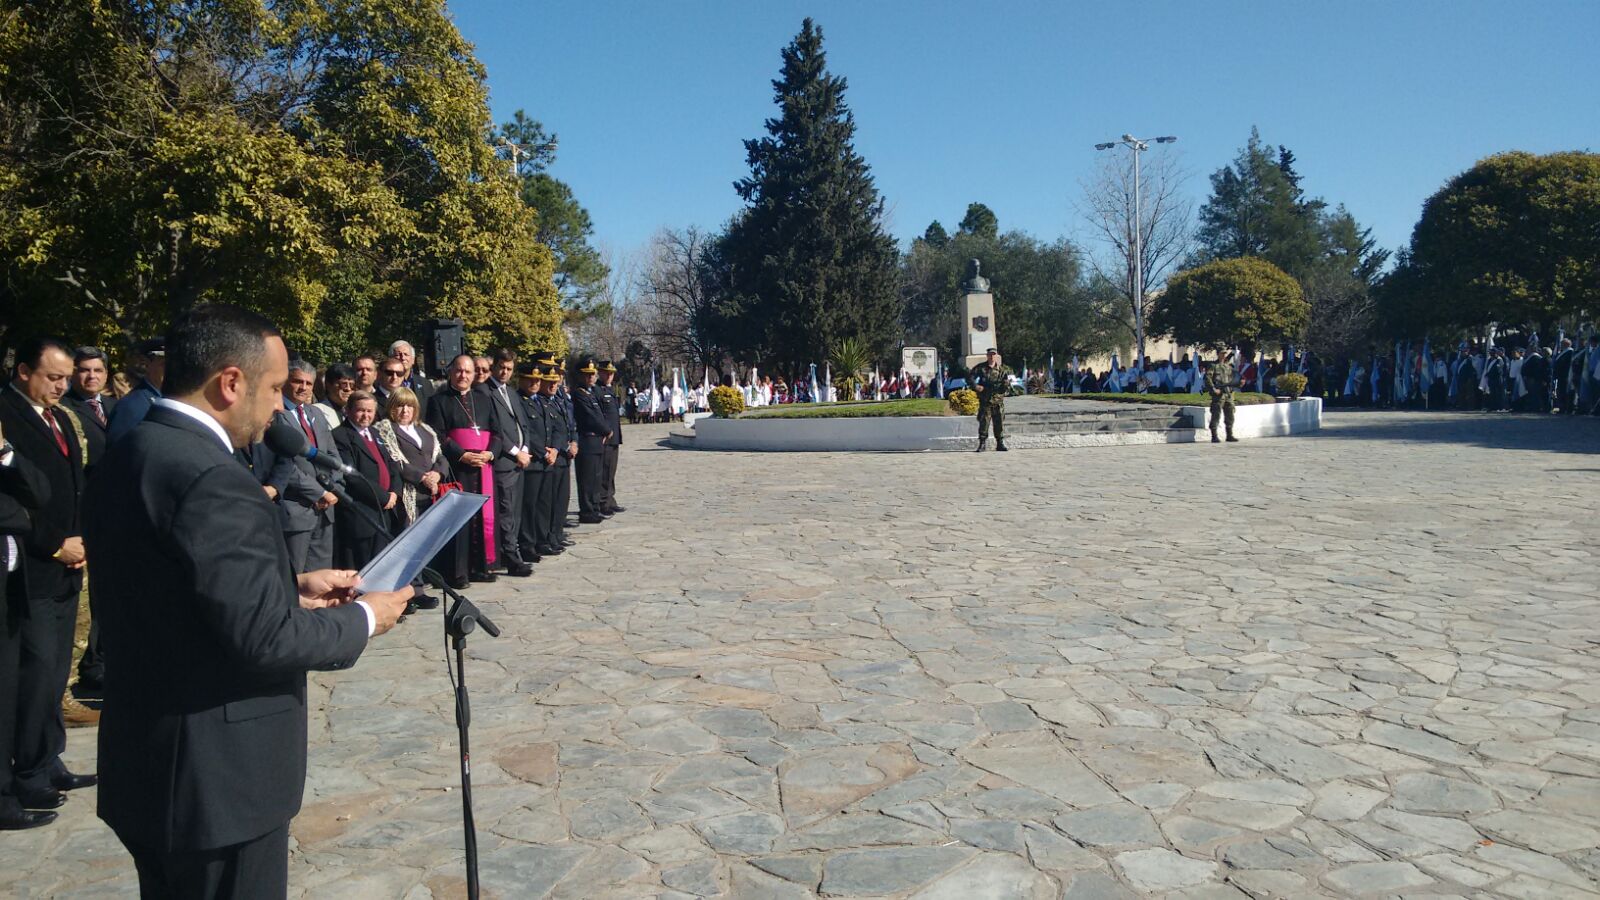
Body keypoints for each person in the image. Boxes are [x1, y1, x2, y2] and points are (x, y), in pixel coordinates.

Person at [82, 304, 412, 898]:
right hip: (218, 777)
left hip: (150, 760)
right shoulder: (214, 477)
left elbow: (171, 590)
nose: (281, 406)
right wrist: (368, 616)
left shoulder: (131, 451)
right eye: (276, 389)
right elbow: (267, 640)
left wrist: (290, 588)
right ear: (230, 383)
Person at [0, 337, 99, 819]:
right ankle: (28, 770)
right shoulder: (8, 415)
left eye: (66, 378)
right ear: (23, 372)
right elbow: (14, 501)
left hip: (70, 557)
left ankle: (48, 757)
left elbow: (72, 485)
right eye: (53, 377)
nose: (62, 386)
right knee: (35, 672)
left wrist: (80, 539)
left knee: (58, 666)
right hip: (33, 563)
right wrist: (54, 543)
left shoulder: (59, 417)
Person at [0, 421, 55, 831]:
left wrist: (5, 450)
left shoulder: (6, 452)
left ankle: (17, 781)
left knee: (16, 683)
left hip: (12, 585)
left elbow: (38, 491)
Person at [425, 355, 500, 583]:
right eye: (458, 371)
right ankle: (458, 572)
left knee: (483, 517)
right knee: (460, 521)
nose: (463, 375)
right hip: (458, 468)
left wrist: (490, 453)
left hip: (484, 468)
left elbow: (497, 433)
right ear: (450, 372)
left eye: (468, 372)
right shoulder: (438, 401)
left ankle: (482, 567)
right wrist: (463, 455)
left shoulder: (484, 399)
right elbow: (438, 435)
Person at [373, 387, 448, 605]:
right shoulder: (385, 429)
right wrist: (422, 477)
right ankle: (412, 591)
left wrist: (437, 474)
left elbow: (440, 456)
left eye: (409, 406)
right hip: (408, 494)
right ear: (391, 408)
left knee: (424, 542)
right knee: (409, 542)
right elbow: (395, 461)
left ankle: (421, 583)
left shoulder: (425, 429)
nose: (405, 410)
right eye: (399, 405)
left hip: (430, 494)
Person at [272, 360, 343, 573]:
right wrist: (318, 492)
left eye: (309, 383)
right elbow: (285, 466)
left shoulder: (316, 414)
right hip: (296, 509)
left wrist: (333, 489)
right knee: (296, 578)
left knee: (321, 578)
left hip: (326, 508)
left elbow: (332, 456)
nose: (303, 387)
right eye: (297, 381)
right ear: (286, 381)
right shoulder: (276, 415)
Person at [331, 391, 400, 571]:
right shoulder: (340, 436)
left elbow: (391, 466)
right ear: (348, 410)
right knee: (362, 568)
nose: (366, 415)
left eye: (370, 411)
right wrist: (383, 497)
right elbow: (352, 476)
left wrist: (394, 492)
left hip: (384, 512)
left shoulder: (375, 433)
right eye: (361, 410)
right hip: (361, 512)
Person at [481, 349, 534, 577]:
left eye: (509, 369)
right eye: (502, 367)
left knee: (516, 511)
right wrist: (515, 452)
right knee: (505, 512)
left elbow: (523, 424)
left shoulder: (511, 392)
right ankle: (511, 558)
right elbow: (496, 430)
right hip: (504, 462)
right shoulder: (485, 392)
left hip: (519, 461)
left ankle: (514, 552)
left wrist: (526, 448)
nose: (505, 372)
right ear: (494, 367)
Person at [514, 363, 553, 564]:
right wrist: (542, 451)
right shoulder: (519, 400)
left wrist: (554, 448)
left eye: (538, 380)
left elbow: (549, 428)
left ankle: (542, 539)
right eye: (531, 379)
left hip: (547, 459)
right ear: (521, 379)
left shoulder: (542, 401)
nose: (535, 383)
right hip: (534, 461)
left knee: (543, 504)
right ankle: (528, 544)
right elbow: (527, 430)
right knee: (529, 506)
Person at [105, 337, 166, 446]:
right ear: (146, 363)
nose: (172, 369)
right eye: (164, 364)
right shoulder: (131, 406)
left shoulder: (166, 399)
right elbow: (118, 454)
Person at [63, 346, 117, 470]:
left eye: (98, 370)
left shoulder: (117, 405)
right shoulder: (62, 407)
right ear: (72, 373)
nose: (92, 376)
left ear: (106, 374)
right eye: (85, 370)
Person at [570, 359, 610, 523]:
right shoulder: (579, 394)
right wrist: (607, 430)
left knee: (596, 478)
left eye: (593, 374)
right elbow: (590, 417)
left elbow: (600, 414)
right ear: (581, 375)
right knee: (587, 479)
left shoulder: (591, 394)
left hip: (597, 441)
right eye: (588, 375)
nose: (592, 377)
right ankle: (587, 510)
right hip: (587, 440)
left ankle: (594, 507)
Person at [596, 360, 625, 515]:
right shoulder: (597, 391)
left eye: (611, 373)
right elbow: (599, 415)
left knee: (611, 471)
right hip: (605, 437)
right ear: (600, 373)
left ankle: (610, 499)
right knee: (605, 470)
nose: (609, 376)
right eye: (606, 373)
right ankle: (602, 502)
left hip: (614, 437)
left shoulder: (611, 389)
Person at [968, 348, 1011, 452]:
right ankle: (982, 443)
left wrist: (1004, 389)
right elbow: (970, 378)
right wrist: (976, 386)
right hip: (985, 400)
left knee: (999, 423)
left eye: (993, 354)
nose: (991, 356)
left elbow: (1007, 386)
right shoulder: (981, 368)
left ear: (996, 356)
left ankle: (1000, 443)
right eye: (990, 355)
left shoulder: (1002, 370)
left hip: (997, 401)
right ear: (987, 356)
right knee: (984, 423)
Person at [386, 340, 436, 408]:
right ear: (391, 359)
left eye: (406, 354)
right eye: (398, 355)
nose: (403, 358)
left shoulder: (426, 384)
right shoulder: (384, 382)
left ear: (413, 360)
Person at [1205, 350, 1240, 443]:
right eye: (1222, 353)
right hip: (1218, 394)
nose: (1224, 355)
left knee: (1230, 414)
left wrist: (1237, 384)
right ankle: (1214, 435)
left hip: (1228, 394)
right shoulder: (1213, 366)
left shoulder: (1227, 366)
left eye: (1225, 354)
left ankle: (1229, 434)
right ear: (1218, 354)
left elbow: (1232, 378)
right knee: (1216, 414)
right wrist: (1213, 389)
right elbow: (1208, 378)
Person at [1552, 338, 1575, 413]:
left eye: (1562, 344)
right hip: (1560, 376)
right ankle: (1562, 407)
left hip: (1566, 376)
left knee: (1565, 392)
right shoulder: (1562, 353)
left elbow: (1567, 365)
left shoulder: (1570, 352)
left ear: (1567, 344)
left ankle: (1566, 408)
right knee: (1560, 392)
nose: (1561, 345)